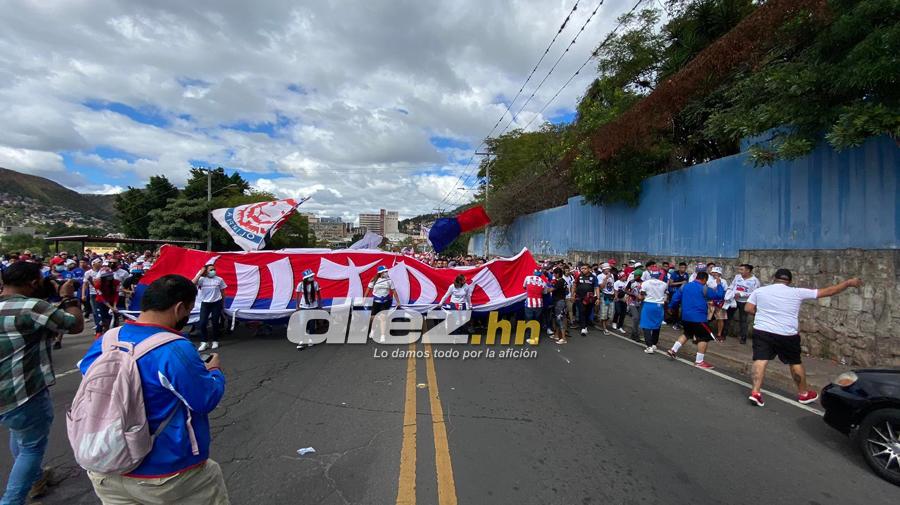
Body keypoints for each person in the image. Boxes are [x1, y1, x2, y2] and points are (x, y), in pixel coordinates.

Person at [78, 274, 229, 504]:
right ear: (180, 308)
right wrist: (215, 372)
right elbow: (204, 399)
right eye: (189, 309)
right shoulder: (175, 348)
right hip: (167, 475)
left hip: (106, 467)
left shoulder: (108, 339)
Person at [0, 262, 83, 505]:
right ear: (35, 282)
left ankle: (36, 478)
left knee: (21, 436)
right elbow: (75, 325)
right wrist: (68, 297)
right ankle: (11, 501)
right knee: (31, 448)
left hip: (6, 395)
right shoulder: (33, 306)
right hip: (23, 392)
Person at [744, 269, 862, 407]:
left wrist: (762, 315)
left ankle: (755, 392)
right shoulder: (797, 292)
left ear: (774, 278)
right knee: (794, 362)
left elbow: (748, 308)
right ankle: (803, 394)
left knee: (761, 359)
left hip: (763, 330)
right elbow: (828, 291)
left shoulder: (760, 291)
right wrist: (848, 283)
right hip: (787, 333)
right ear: (790, 281)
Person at [666, 271, 725, 369]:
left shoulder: (684, 286)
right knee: (704, 338)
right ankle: (699, 361)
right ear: (704, 279)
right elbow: (719, 295)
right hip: (699, 318)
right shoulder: (704, 288)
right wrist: (719, 285)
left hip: (685, 316)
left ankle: (673, 350)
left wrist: (671, 307)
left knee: (687, 334)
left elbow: (675, 298)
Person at [194, 264, 227, 352]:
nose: (213, 271)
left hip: (216, 303)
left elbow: (223, 292)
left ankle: (215, 340)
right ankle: (204, 342)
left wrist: (223, 305)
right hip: (205, 303)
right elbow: (192, 283)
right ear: (206, 271)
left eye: (214, 269)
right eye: (211, 270)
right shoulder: (202, 280)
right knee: (202, 323)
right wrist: (200, 273)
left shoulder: (219, 279)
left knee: (215, 322)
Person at [364, 266, 399, 340]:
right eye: (384, 271)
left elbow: (394, 291)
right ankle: (373, 330)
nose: (386, 273)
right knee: (373, 318)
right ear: (380, 273)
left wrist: (398, 301)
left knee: (383, 318)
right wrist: (364, 299)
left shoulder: (389, 281)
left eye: (386, 271)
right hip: (375, 302)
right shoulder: (374, 280)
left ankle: (382, 336)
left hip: (385, 302)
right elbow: (368, 289)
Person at [729, 264, 760, 344]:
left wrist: (742, 294)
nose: (740, 271)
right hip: (734, 300)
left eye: (742, 270)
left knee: (743, 320)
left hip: (745, 302)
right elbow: (732, 286)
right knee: (728, 316)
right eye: (739, 269)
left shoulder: (755, 281)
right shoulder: (737, 277)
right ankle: (724, 334)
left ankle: (743, 338)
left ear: (748, 270)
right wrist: (729, 292)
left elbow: (755, 294)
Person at [639, 275, 668, 354]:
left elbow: (641, 296)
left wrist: (640, 297)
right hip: (659, 306)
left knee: (646, 325)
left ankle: (649, 346)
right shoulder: (664, 284)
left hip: (649, 304)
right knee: (657, 325)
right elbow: (666, 296)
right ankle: (654, 344)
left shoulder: (645, 283)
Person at [294, 269, 321, 350]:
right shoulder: (301, 285)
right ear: (306, 278)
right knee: (303, 323)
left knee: (312, 323)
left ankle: (311, 339)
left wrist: (320, 304)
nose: (312, 277)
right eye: (310, 277)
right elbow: (297, 296)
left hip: (313, 305)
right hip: (303, 306)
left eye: (312, 276)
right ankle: (301, 341)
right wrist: (297, 306)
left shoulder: (315, 283)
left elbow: (318, 294)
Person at [573, 264, 599, 336]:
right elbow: (575, 284)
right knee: (582, 311)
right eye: (582, 268)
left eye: (585, 268)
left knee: (587, 312)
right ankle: (583, 328)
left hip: (589, 298)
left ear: (589, 269)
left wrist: (598, 298)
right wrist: (573, 294)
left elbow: (596, 288)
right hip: (579, 297)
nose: (583, 270)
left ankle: (585, 325)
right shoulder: (579, 276)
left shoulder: (593, 277)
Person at [83, 258, 104, 338]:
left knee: (103, 310)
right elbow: (85, 284)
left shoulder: (103, 271)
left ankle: (101, 325)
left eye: (101, 262)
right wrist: (83, 294)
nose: (100, 264)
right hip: (93, 294)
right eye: (99, 262)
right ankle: (98, 325)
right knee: (95, 311)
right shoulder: (88, 273)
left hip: (103, 294)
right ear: (93, 264)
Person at [708, 267, 730, 340]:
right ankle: (706, 331)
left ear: (719, 273)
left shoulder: (723, 281)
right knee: (708, 317)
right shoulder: (710, 280)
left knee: (720, 318)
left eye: (715, 272)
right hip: (711, 302)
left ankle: (719, 334)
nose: (714, 274)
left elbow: (725, 291)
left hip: (720, 303)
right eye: (713, 272)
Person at [549, 267, 569, 345]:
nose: (553, 275)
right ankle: (556, 335)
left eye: (554, 273)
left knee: (559, 319)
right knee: (556, 318)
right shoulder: (563, 281)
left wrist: (543, 288)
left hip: (559, 302)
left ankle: (564, 338)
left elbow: (551, 290)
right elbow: (567, 290)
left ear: (557, 274)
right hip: (560, 301)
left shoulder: (559, 281)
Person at [597, 263, 616, 335]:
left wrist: (614, 294)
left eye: (609, 269)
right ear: (603, 269)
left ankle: (602, 321)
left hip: (611, 296)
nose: (609, 270)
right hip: (604, 296)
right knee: (604, 313)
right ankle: (604, 328)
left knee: (611, 314)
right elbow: (601, 287)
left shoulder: (612, 276)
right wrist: (606, 278)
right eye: (607, 269)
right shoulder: (600, 276)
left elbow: (613, 285)